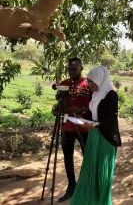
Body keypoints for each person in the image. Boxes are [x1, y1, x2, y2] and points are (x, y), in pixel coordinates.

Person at [71, 66, 121, 205]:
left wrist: (95, 125)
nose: (90, 85)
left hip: (106, 138)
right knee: (91, 168)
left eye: (92, 82)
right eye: (89, 82)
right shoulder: (95, 95)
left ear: (101, 80)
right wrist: (81, 114)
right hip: (94, 136)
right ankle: (90, 200)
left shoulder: (111, 95)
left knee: (102, 173)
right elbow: (92, 114)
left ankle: (103, 201)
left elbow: (111, 120)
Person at [51, 58, 92, 202]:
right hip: (66, 126)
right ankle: (71, 186)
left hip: (84, 127)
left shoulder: (88, 84)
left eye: (74, 69)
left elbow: (94, 107)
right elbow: (59, 102)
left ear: (81, 68)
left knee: (88, 158)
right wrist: (56, 109)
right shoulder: (64, 84)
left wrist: (81, 110)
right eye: (69, 69)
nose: (71, 71)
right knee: (67, 158)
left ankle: (87, 186)